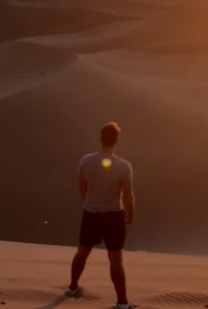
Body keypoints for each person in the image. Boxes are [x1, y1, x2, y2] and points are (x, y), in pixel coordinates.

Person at [67, 122, 136, 309]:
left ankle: (73, 288)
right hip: (114, 215)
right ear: (117, 140)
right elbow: (128, 194)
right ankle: (122, 303)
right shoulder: (124, 166)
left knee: (82, 252)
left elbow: (81, 184)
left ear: (100, 138)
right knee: (115, 260)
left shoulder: (86, 160)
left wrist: (88, 202)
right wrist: (131, 212)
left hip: (91, 213)